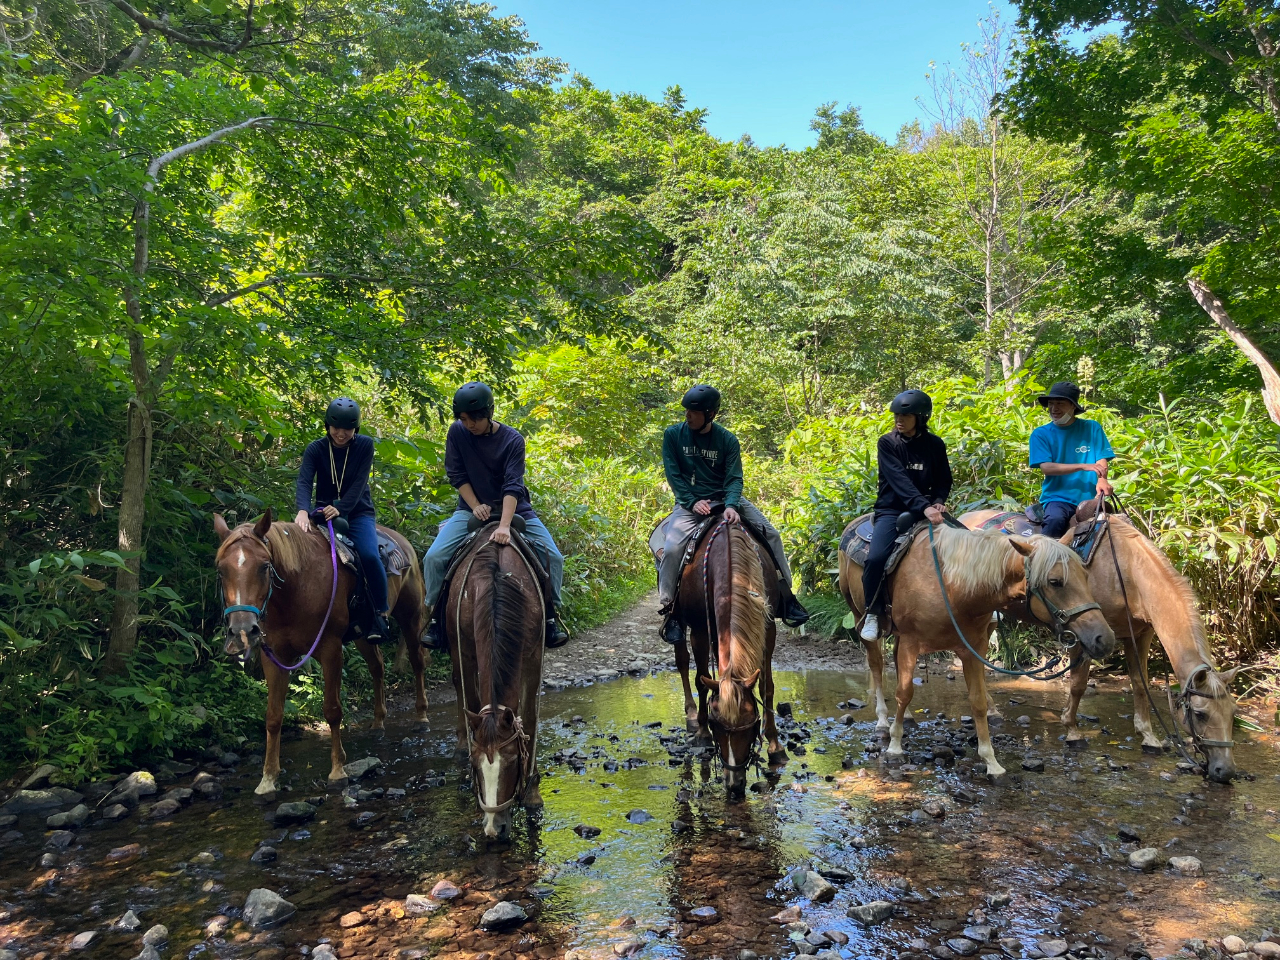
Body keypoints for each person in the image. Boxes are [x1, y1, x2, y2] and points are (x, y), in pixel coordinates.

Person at [657, 383, 809, 645]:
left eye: (694, 412)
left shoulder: (727, 440)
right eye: (686, 411)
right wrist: (692, 502)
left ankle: (787, 597)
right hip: (689, 505)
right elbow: (675, 476)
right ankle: (670, 609)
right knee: (671, 549)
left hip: (726, 500)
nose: (688, 416)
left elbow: (735, 478)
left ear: (711, 414)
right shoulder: (673, 436)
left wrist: (730, 504)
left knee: (771, 534)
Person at [422, 382, 568, 649]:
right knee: (434, 557)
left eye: (475, 418)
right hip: (470, 507)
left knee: (554, 558)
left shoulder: (513, 440)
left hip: (514, 509)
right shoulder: (457, 433)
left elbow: (513, 484)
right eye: (464, 419)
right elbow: (456, 474)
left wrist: (503, 526)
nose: (470, 425)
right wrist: (475, 505)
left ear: (489, 413)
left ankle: (551, 616)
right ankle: (434, 618)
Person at [295, 397, 391, 642]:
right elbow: (305, 481)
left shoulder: (365, 446)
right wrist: (303, 511)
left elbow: (360, 483)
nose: (340, 433)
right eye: (336, 427)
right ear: (327, 426)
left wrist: (341, 508)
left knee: (369, 555)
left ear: (355, 429)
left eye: (347, 429)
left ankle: (381, 612)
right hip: (321, 513)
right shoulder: (315, 449)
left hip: (358, 512)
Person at [860, 389, 952, 642]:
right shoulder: (887, 443)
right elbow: (900, 482)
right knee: (876, 558)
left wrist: (938, 501)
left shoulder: (935, 445)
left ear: (920, 417)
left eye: (906, 415)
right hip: (892, 510)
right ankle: (872, 612)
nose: (899, 420)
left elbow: (944, 479)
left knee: (965, 544)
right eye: (897, 415)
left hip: (928, 509)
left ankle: (980, 606)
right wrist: (925, 506)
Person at [1029, 380, 1115, 538]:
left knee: (1116, 532)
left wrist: (1102, 480)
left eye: (1060, 403)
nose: (1054, 409)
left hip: (1092, 499)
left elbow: (1101, 458)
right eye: (1051, 403)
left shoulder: (1092, 428)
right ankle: (1042, 561)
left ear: (1073, 406)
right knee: (1054, 521)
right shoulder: (1041, 434)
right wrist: (1083, 466)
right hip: (1058, 498)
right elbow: (1046, 467)